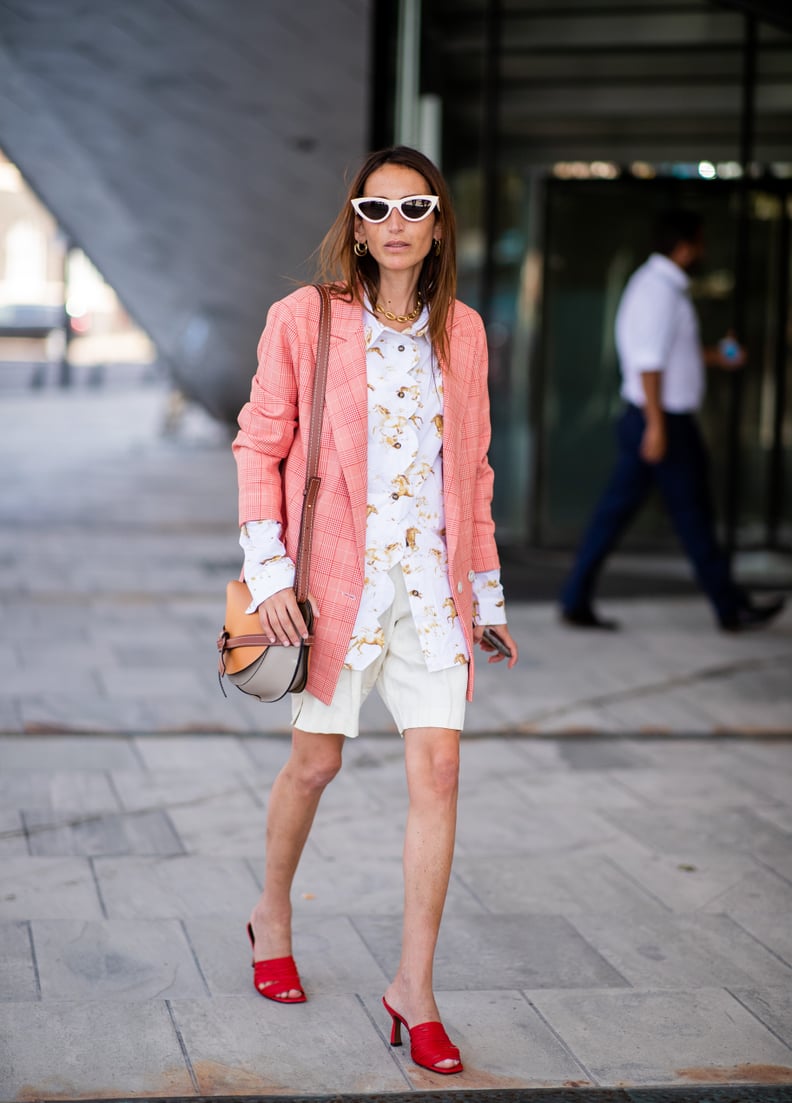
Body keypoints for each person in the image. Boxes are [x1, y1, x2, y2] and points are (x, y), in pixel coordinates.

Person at [232, 145, 519, 1075]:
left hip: (432, 587)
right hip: (333, 585)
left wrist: (487, 590)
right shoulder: (305, 321)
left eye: (415, 207)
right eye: (377, 208)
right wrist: (269, 572)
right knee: (314, 765)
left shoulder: (464, 332)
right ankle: (271, 911)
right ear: (355, 224)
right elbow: (259, 444)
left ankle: (413, 988)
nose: (395, 224)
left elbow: (469, 468)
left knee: (438, 771)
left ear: (438, 225)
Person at [559, 207, 785, 633]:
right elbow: (648, 363)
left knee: (621, 515)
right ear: (684, 246)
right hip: (662, 422)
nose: (703, 250)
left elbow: (667, 354)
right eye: (700, 241)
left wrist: (718, 357)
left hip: (654, 418)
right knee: (694, 516)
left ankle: (576, 597)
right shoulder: (658, 291)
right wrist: (658, 425)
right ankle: (730, 607)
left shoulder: (661, 286)